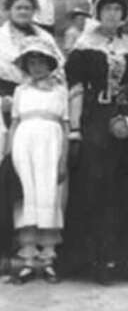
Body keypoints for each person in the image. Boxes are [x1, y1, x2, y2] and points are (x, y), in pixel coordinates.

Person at [62, 0, 128, 283]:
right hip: (96, 118)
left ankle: (124, 256)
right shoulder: (84, 47)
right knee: (97, 184)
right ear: (98, 13)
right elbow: (76, 88)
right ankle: (96, 258)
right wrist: (76, 127)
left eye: (118, 10)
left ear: (125, 15)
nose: (112, 15)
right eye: (107, 9)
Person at [9, 39, 68, 283]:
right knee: (27, 196)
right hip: (24, 144)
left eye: (40, 62)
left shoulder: (59, 90)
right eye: (31, 62)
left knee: (48, 196)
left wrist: (63, 157)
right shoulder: (20, 91)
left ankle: (48, 258)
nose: (36, 67)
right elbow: (14, 123)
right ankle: (28, 259)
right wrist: (10, 152)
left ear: (49, 64)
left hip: (50, 145)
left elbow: (65, 126)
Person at [0, 0, 63, 121]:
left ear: (34, 11)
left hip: (39, 100)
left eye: (27, 8)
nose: (23, 12)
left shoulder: (45, 37)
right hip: (6, 99)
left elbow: (59, 66)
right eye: (18, 8)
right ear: (9, 10)